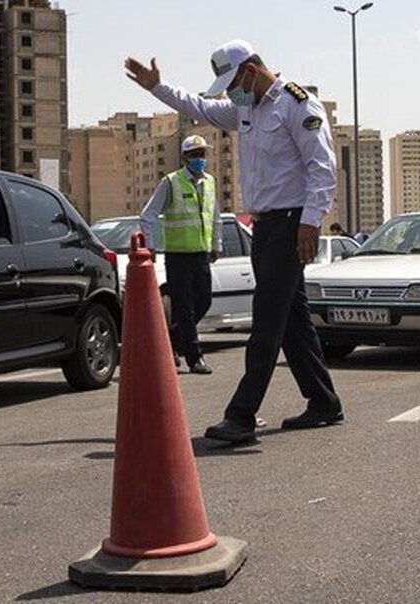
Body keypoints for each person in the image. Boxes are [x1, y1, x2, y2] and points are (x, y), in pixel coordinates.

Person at [126, 40, 344, 444]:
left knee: (267, 320)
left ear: (252, 70)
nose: (230, 93)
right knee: (292, 319)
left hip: (292, 223)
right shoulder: (246, 108)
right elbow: (200, 108)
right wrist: (158, 87)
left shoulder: (298, 105)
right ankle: (324, 402)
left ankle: (242, 415)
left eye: (233, 82)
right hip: (264, 227)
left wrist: (311, 224)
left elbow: (322, 169)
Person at [139, 135, 223, 375]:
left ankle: (172, 339)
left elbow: (214, 216)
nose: (200, 159)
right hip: (177, 255)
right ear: (185, 157)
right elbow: (148, 215)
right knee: (184, 307)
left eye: (203, 154)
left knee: (204, 301)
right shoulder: (171, 182)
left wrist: (215, 244)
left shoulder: (210, 182)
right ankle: (195, 358)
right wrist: (151, 245)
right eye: (195, 154)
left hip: (201, 254)